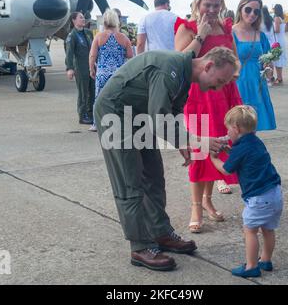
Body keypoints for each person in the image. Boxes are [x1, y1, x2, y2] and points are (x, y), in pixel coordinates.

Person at [94, 46, 239, 271]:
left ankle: (160, 233)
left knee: (153, 177)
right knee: (130, 182)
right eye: (219, 81)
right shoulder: (169, 69)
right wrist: (199, 141)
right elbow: (160, 119)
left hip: (140, 116)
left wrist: (182, 141)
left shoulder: (183, 74)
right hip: (116, 113)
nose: (217, 88)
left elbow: (172, 111)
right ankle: (140, 246)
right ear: (208, 66)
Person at [174, 0, 242, 233]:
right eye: (208, 5)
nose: (212, 10)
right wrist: (200, 34)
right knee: (199, 150)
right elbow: (178, 61)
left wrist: (234, 74)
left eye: (216, 5)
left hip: (224, 94)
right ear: (198, 4)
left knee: (217, 146)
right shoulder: (187, 27)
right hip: (199, 96)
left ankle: (208, 200)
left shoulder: (225, 27)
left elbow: (234, 59)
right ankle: (195, 206)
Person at [210, 105, 282, 278]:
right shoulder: (255, 141)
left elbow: (227, 170)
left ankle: (251, 266)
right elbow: (243, 159)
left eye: (228, 129)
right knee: (268, 229)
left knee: (250, 230)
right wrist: (230, 152)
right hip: (275, 193)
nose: (227, 133)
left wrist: (213, 158)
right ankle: (265, 260)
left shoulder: (240, 148)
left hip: (258, 198)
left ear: (236, 128)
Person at [232, 0, 277, 131]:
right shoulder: (230, 32)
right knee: (236, 125)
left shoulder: (260, 35)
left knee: (252, 126)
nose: (252, 14)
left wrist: (269, 68)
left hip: (257, 84)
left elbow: (267, 60)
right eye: (248, 9)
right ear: (240, 9)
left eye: (256, 12)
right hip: (238, 83)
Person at [89, 9, 133, 132]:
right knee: (120, 98)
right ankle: (120, 123)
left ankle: (96, 124)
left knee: (99, 98)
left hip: (102, 73)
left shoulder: (99, 36)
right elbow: (130, 55)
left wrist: (92, 69)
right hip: (118, 74)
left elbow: (92, 55)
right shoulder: (123, 37)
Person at [65, 12, 96, 125]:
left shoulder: (88, 33)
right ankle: (82, 116)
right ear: (74, 20)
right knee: (83, 92)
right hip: (80, 67)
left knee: (92, 91)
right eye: (81, 18)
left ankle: (91, 113)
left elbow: (94, 49)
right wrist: (69, 68)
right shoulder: (72, 36)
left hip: (91, 67)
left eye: (84, 18)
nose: (83, 19)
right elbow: (69, 53)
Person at [272, 4, 288, 84]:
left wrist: (271, 30)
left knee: (277, 58)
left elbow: (277, 30)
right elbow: (284, 29)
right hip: (282, 39)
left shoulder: (276, 18)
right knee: (280, 58)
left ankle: (279, 78)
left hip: (277, 40)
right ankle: (280, 77)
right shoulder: (282, 18)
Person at [261, 6, 276, 86]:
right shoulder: (271, 21)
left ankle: (267, 78)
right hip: (272, 41)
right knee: (270, 61)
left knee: (264, 61)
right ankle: (270, 77)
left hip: (264, 43)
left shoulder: (261, 21)